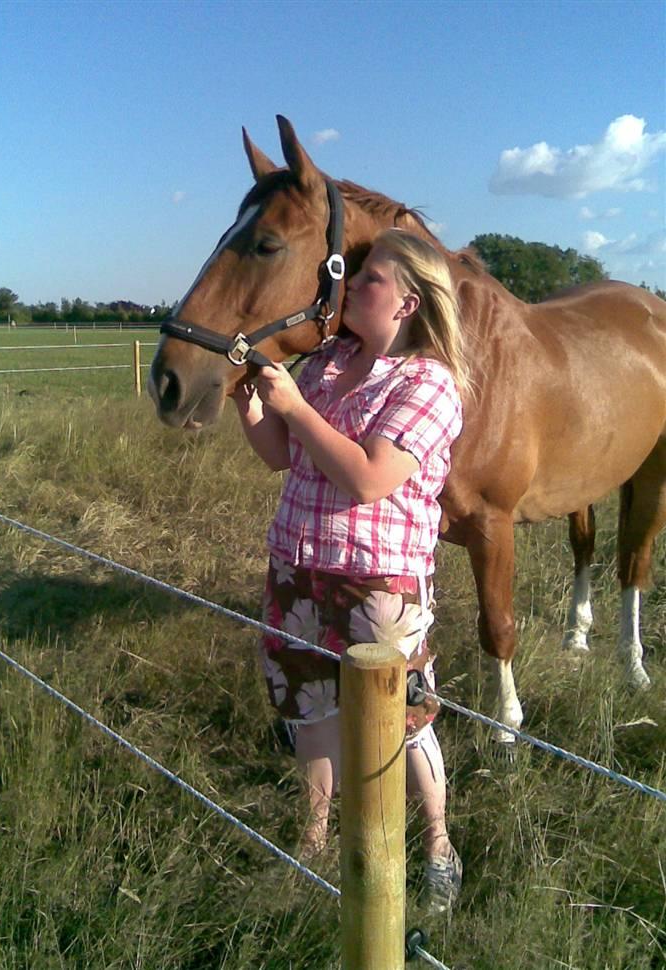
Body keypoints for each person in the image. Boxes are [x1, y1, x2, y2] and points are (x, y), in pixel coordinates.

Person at [232, 228, 467, 916]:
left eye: (370, 277)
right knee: (310, 714)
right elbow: (281, 453)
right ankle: (311, 845)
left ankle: (436, 844)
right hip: (298, 570)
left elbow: (369, 479)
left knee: (404, 722)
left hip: (378, 585)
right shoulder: (329, 363)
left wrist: (297, 410)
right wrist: (255, 408)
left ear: (408, 303)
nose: (353, 283)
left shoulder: (429, 383)